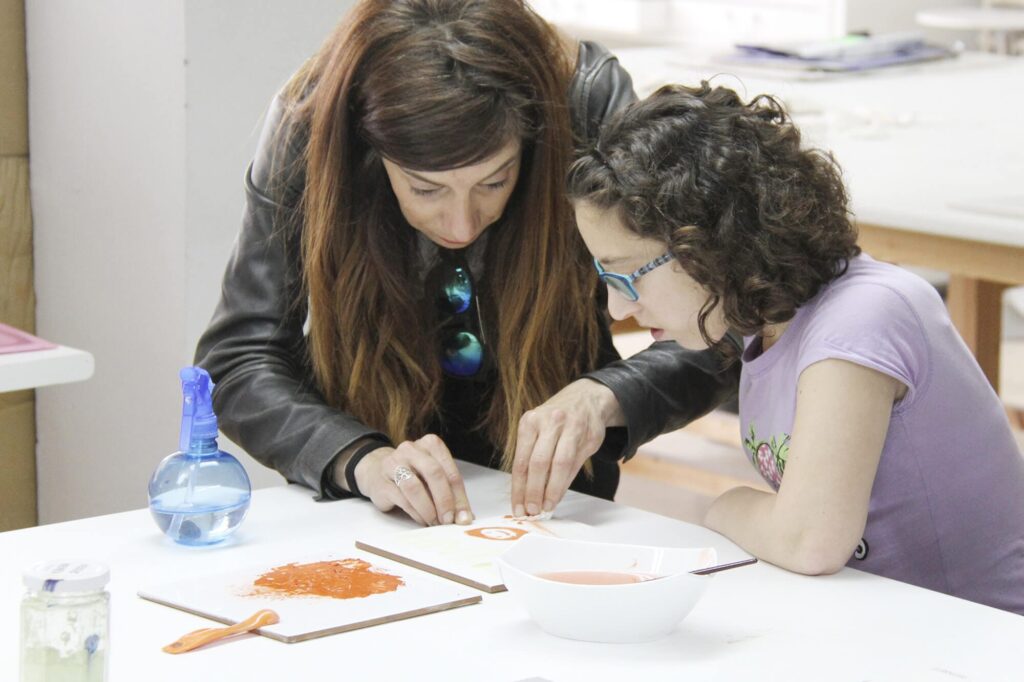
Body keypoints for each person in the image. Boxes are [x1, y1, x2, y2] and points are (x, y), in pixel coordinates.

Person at [195, 1, 738, 528]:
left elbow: (727, 322)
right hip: (372, 508)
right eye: (425, 189)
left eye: (494, 181)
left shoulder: (584, 103)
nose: (461, 225)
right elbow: (241, 358)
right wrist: (360, 460)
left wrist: (606, 396)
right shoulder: (315, 124)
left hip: (557, 509)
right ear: (372, 150)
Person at [566, 82, 1024, 613]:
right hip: (894, 618)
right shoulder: (767, 324)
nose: (618, 307)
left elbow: (810, 541)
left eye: (627, 275)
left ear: (709, 242)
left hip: (983, 634)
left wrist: (724, 505)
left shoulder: (860, 319)